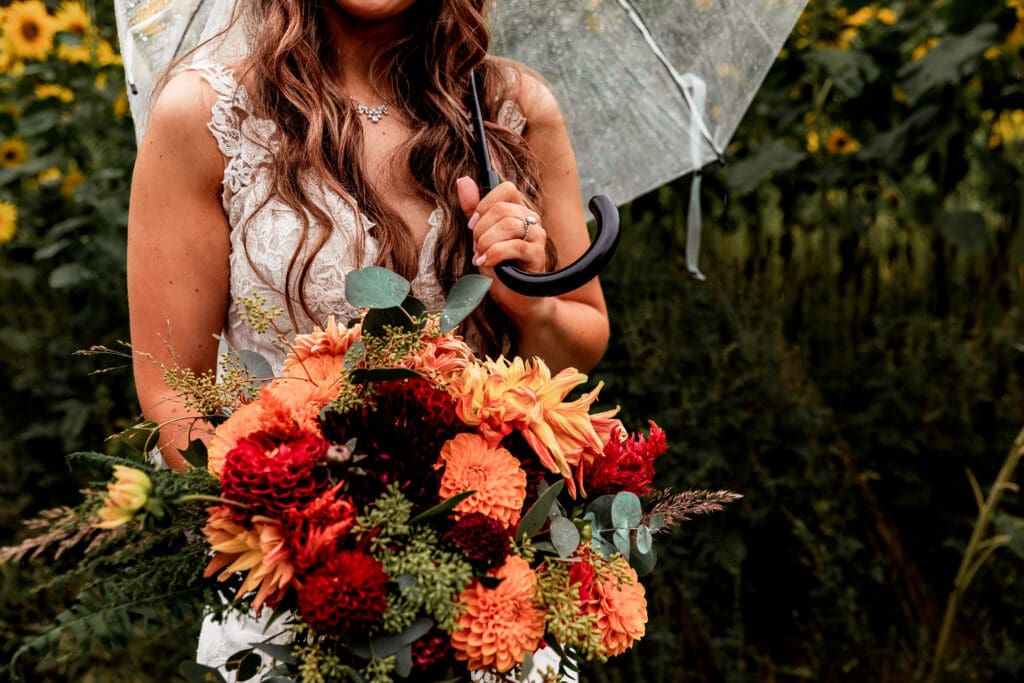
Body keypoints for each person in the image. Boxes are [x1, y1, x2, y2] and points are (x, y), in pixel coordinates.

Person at [126, 0, 608, 679]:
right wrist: (295, 538)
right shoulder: (205, 116)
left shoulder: (511, 109)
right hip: (298, 594)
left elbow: (582, 338)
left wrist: (533, 305)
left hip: (485, 591)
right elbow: (172, 389)